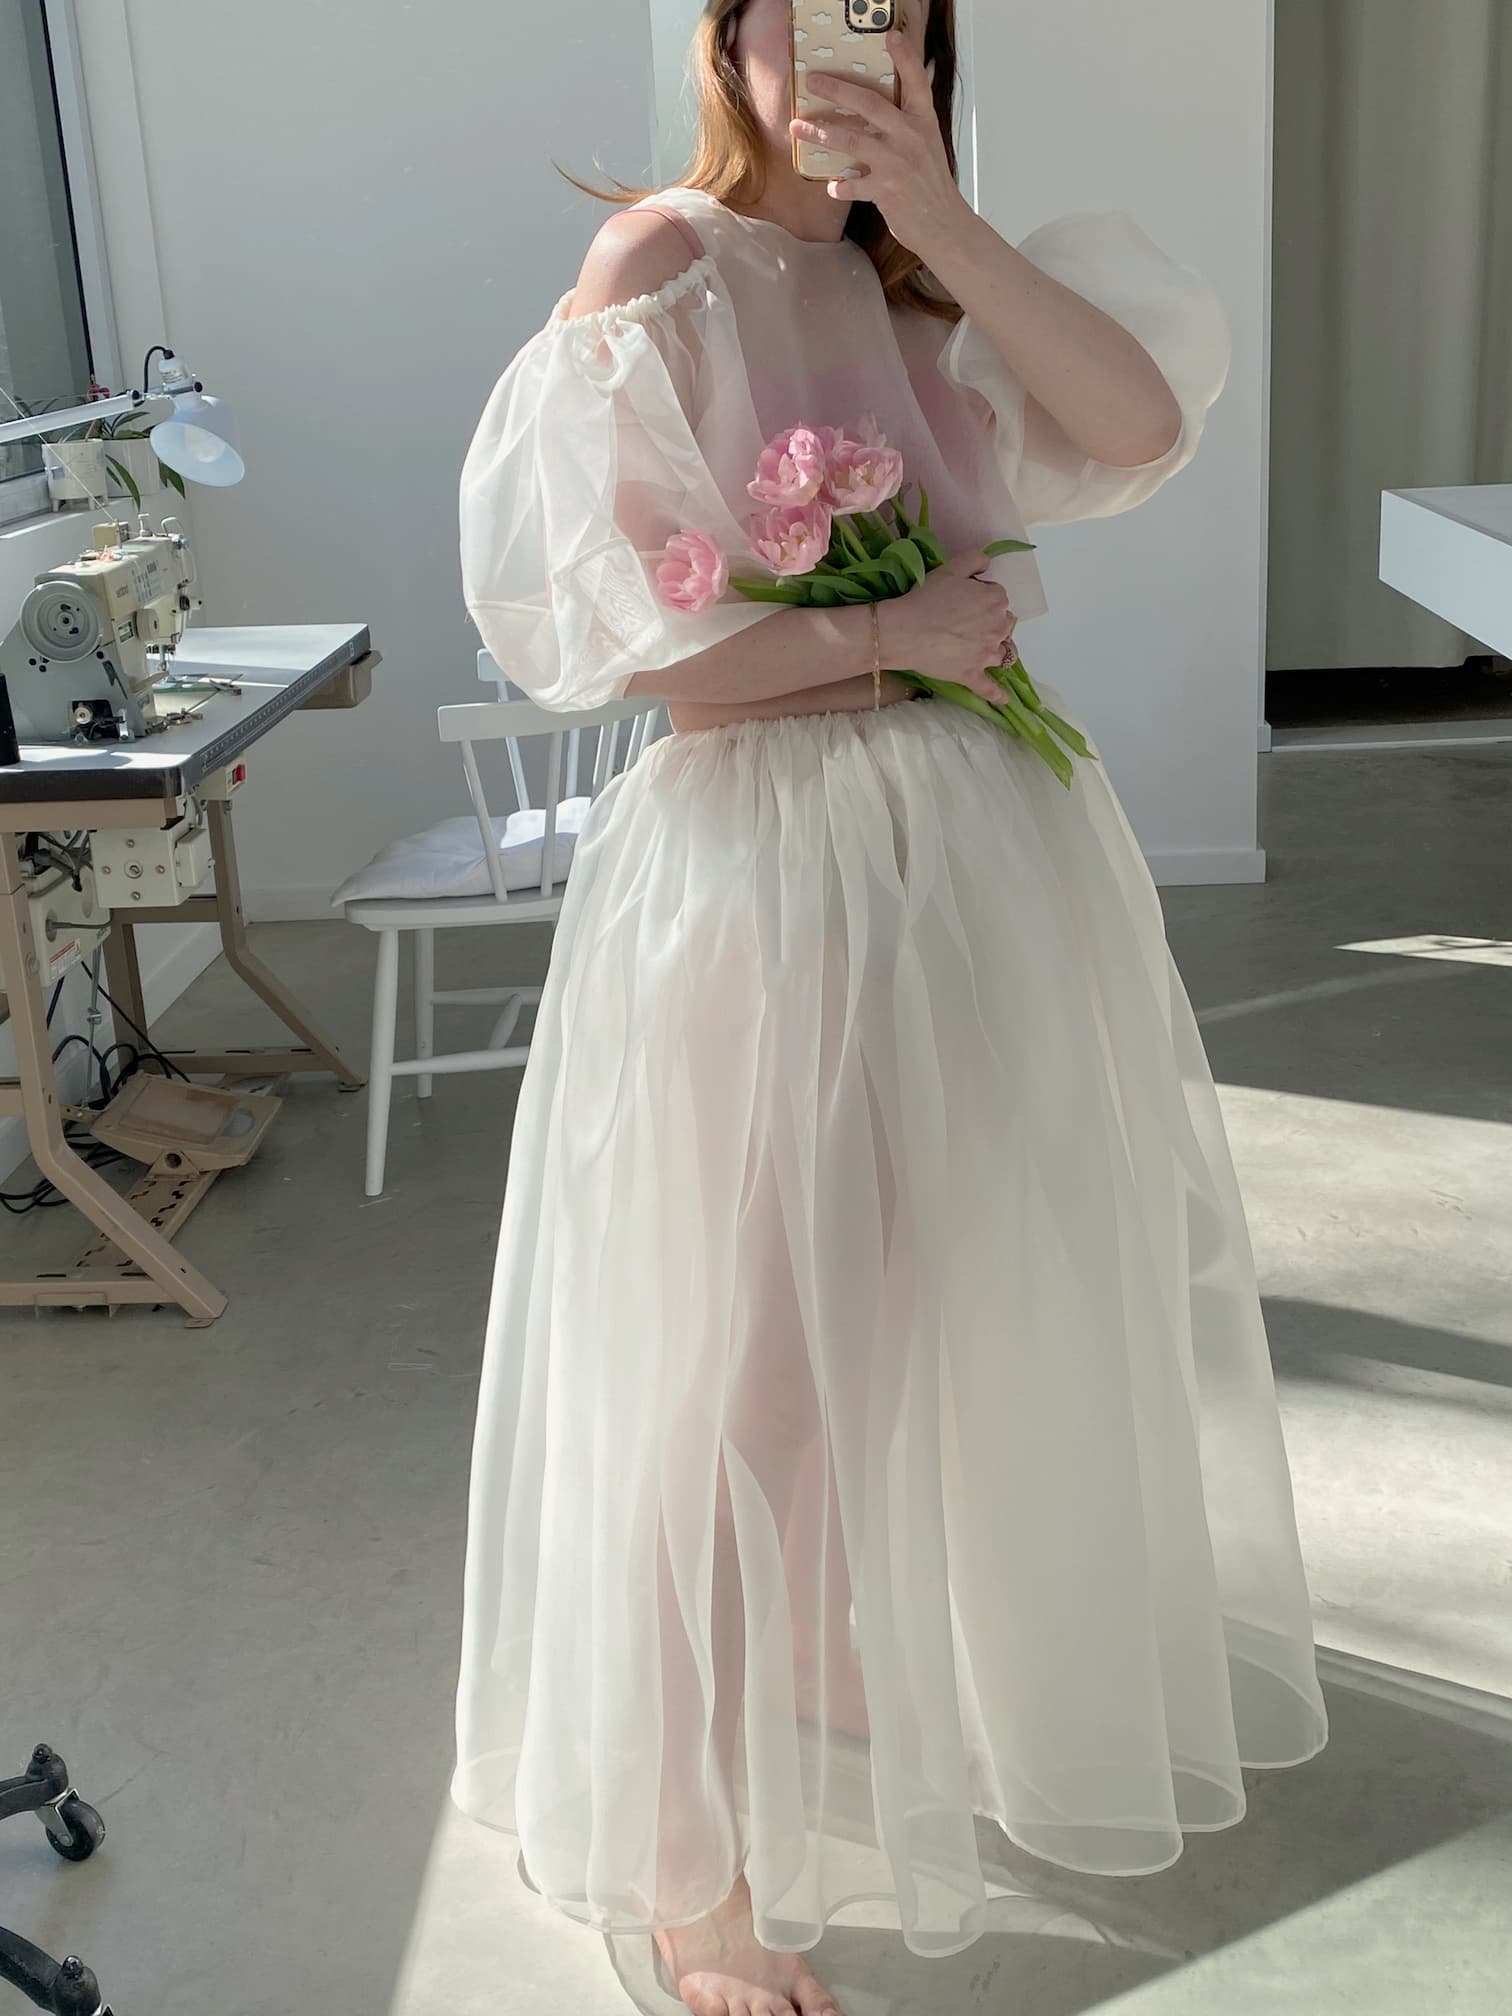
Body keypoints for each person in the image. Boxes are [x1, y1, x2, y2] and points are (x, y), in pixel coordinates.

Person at [452, 6, 1330, 2014]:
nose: (864, 45)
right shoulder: (655, 270)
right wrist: (886, 629)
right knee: (752, 1358)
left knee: (918, 1300)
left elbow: (1131, 427)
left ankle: (830, 1653)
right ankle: (686, 1869)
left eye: (905, 19)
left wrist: (934, 209)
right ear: (733, 31)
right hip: (769, 870)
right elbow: (641, 675)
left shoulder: (920, 285)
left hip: (974, 861)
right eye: (822, 8)